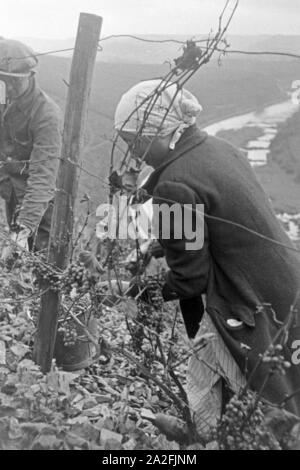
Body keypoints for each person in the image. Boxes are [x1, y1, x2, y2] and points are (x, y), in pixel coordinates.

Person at [113, 79, 300, 434]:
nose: (134, 153)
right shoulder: (219, 148)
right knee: (287, 385)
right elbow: (215, 223)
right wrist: (158, 246)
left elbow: (189, 279)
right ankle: (207, 433)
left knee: (262, 404)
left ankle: (205, 436)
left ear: (160, 131)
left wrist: (133, 289)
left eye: (134, 141)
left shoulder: (174, 187)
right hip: (285, 283)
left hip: (249, 299)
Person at [0, 39, 62, 256]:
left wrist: (23, 227)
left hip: (43, 202)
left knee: (44, 265)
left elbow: (43, 176)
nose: (9, 88)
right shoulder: (3, 99)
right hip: (13, 193)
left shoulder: (46, 114)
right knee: (15, 261)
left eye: (15, 82)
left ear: (30, 76)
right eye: (3, 81)